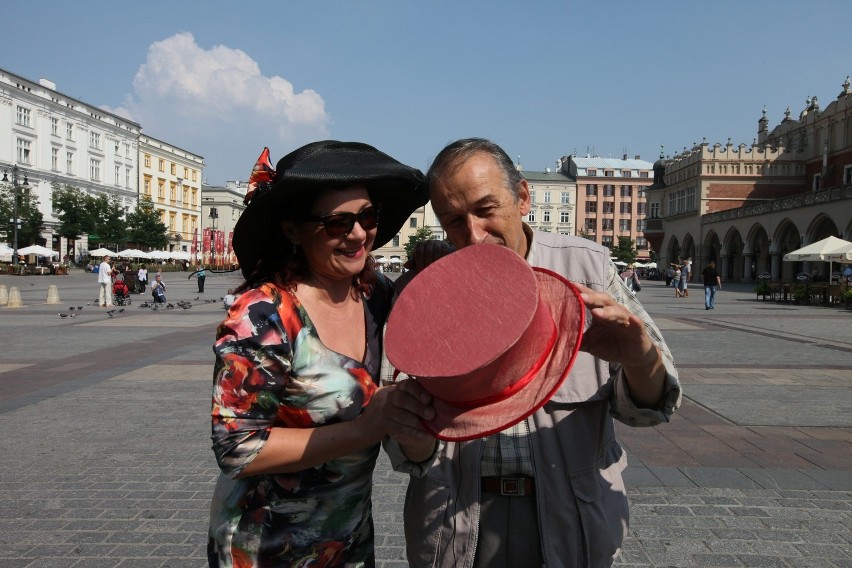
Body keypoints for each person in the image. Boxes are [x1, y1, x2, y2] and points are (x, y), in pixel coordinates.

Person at [384, 138, 681, 568]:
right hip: (460, 520)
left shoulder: (588, 269)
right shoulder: (429, 291)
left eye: (486, 210)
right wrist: (411, 437)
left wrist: (639, 357)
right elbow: (407, 447)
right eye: (452, 221)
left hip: (569, 517)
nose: (473, 236)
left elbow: (652, 408)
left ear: (522, 198)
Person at [207, 141, 430, 567]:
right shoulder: (264, 313)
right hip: (266, 548)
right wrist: (367, 428)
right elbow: (236, 447)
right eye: (336, 223)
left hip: (348, 543)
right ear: (292, 230)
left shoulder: (375, 296)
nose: (359, 234)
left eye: (367, 217)